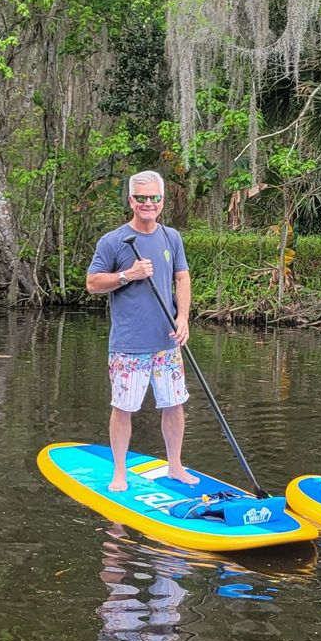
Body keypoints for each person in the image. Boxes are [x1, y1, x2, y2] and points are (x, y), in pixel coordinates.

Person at [86, 170, 196, 493]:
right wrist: (127, 275)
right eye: (142, 198)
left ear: (162, 201)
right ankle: (119, 472)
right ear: (131, 201)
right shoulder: (113, 241)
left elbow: (182, 278)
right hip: (129, 345)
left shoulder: (171, 238)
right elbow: (92, 283)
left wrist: (184, 318)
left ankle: (175, 466)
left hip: (167, 342)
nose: (149, 204)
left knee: (174, 405)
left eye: (155, 198)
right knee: (124, 409)